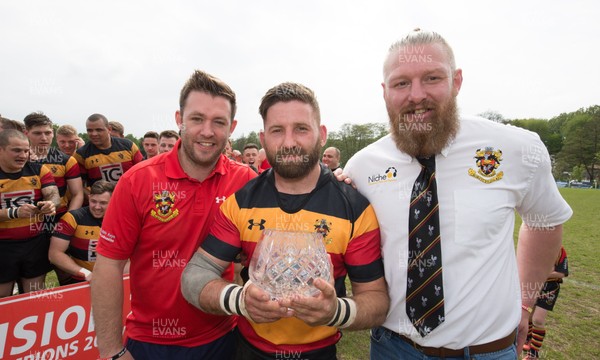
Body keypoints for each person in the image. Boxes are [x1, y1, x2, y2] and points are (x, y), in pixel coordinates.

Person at [342, 29, 573, 359]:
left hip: (486, 352)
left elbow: (545, 222)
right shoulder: (362, 166)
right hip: (393, 348)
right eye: (401, 83)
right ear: (385, 92)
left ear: (457, 81)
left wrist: (525, 302)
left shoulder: (516, 148)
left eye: (432, 78)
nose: (416, 95)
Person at [181, 82, 389, 360]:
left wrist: (335, 311)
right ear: (263, 137)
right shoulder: (241, 201)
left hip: (320, 353)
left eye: (301, 129)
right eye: (278, 130)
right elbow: (195, 276)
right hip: (248, 350)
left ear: (322, 134)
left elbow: (376, 299)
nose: (289, 142)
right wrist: (240, 300)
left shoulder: (354, 208)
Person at [92, 70, 257, 360]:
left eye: (218, 122)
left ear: (231, 127)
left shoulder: (245, 181)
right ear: (180, 119)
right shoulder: (137, 181)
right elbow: (108, 265)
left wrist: (340, 182)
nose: (207, 131)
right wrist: (111, 351)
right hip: (150, 342)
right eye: (197, 119)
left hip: (224, 337)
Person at [0, 129, 60, 297]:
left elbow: (54, 195)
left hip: (34, 242)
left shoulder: (39, 170)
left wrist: (50, 204)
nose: (23, 155)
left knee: (35, 296)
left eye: (26, 150)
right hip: (3, 246)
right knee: (3, 298)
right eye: (16, 150)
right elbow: (14, 212)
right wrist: (14, 213)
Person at [49, 180, 115, 284]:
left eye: (103, 203)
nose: (97, 207)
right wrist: (84, 273)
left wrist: (112, 249)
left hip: (116, 276)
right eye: (93, 201)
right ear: (89, 198)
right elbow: (54, 254)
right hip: (82, 279)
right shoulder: (71, 218)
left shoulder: (124, 219)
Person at [24, 112, 84, 218]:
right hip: (24, 219)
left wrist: (68, 220)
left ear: (53, 133)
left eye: (47, 133)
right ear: (26, 133)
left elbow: (77, 194)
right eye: (37, 133)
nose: (44, 138)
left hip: (58, 217)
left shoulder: (67, 160)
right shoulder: (14, 159)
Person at [74, 113, 143, 191]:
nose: (94, 134)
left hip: (129, 197)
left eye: (98, 130)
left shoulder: (129, 146)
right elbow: (79, 187)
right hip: (102, 202)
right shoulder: (81, 154)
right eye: (90, 130)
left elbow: (143, 173)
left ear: (109, 129)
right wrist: (93, 198)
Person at [522, 246, 568, 359]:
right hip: (533, 286)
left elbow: (562, 273)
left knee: (538, 319)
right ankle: (528, 338)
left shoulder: (559, 250)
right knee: (528, 315)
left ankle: (533, 353)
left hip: (549, 288)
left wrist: (543, 274)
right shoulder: (531, 246)